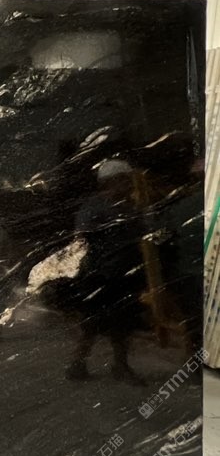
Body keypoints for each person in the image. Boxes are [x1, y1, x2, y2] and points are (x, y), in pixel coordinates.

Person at [63, 158, 148, 383]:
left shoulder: (130, 206)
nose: (128, 184)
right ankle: (78, 364)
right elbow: (83, 239)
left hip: (123, 274)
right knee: (91, 323)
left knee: (122, 323)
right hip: (98, 275)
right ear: (110, 182)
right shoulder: (94, 208)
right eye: (123, 180)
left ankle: (119, 366)